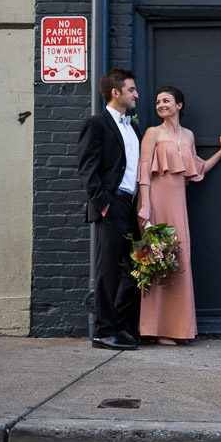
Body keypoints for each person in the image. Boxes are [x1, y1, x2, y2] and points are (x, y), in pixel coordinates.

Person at [136, 86, 221, 345]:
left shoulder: (188, 135)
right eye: (157, 101)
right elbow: (144, 171)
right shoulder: (152, 133)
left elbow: (198, 169)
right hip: (156, 201)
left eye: (166, 101)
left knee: (179, 260)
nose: (161, 105)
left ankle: (179, 329)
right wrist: (145, 206)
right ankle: (156, 330)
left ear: (179, 105)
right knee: (157, 260)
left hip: (178, 203)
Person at [77, 68, 142, 351]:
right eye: (131, 89)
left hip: (130, 204)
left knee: (134, 269)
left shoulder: (132, 126)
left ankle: (120, 326)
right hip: (112, 203)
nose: (136, 94)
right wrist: (104, 204)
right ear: (115, 93)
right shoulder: (98, 124)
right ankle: (103, 331)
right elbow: (87, 168)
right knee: (108, 270)